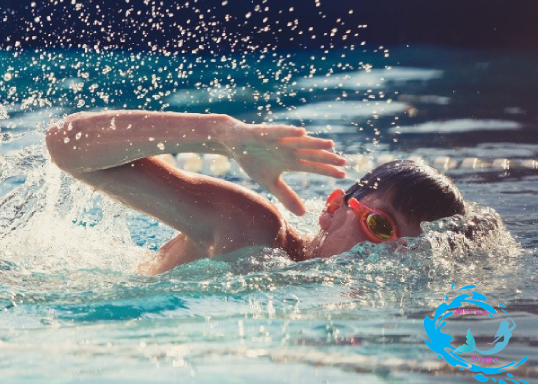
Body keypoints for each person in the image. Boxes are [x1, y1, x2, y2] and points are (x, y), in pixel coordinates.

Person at [45, 111, 466, 274]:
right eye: (379, 225)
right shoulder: (253, 229)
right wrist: (219, 134)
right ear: (333, 208)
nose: (381, 258)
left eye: (406, 252)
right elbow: (66, 145)